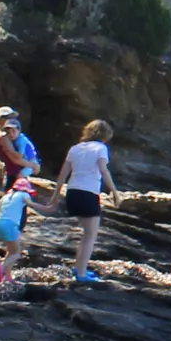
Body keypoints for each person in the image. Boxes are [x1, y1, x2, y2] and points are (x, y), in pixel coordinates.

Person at [55, 119, 119, 283]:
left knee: (86, 233)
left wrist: (55, 196)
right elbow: (104, 170)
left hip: (73, 192)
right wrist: (114, 192)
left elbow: (63, 174)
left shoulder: (75, 149)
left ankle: (79, 267)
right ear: (105, 136)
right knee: (91, 235)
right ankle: (81, 274)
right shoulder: (101, 148)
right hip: (88, 193)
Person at [0, 177, 55, 282]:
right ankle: (1, 267)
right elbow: (31, 204)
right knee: (16, 253)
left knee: (11, 250)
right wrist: (47, 209)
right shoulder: (23, 194)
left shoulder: (7, 196)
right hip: (10, 225)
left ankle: (7, 277)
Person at [0, 110, 37, 185]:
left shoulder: (6, 134)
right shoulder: (3, 137)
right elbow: (16, 159)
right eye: (10, 117)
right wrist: (34, 166)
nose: (13, 120)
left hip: (14, 172)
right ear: (1, 120)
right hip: (14, 174)